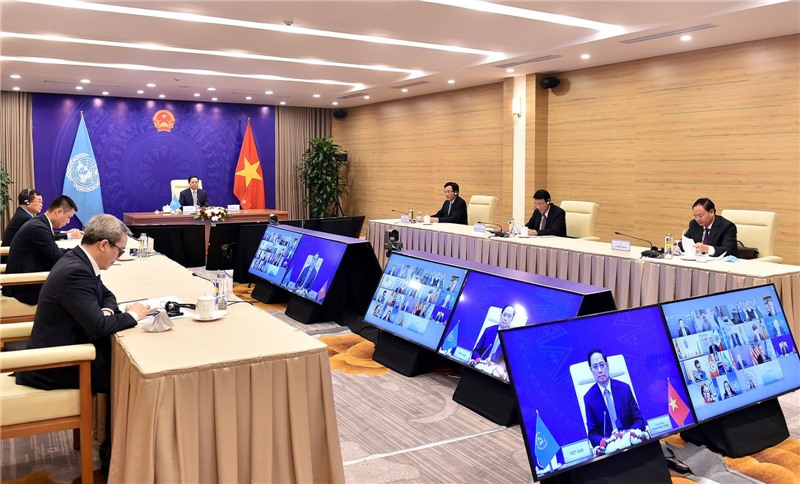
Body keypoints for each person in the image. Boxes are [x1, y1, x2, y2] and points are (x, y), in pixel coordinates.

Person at [15, 214, 153, 471]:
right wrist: (133, 315)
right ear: (103, 244)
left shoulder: (79, 260)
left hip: (64, 348)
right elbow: (97, 327)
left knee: (120, 359)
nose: (118, 257)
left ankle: (114, 445)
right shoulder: (76, 271)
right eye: (119, 251)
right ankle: (114, 454)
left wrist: (108, 311)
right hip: (54, 365)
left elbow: (106, 295)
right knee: (127, 375)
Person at [2, 196, 78, 305]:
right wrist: (80, 254)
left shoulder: (39, 222)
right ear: (58, 212)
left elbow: (54, 251)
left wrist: (77, 252)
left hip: (27, 278)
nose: (68, 222)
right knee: (74, 289)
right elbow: (57, 257)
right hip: (24, 286)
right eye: (68, 217)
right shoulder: (38, 227)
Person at [583, 349, 646, 447]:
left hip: (632, 444)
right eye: (595, 367)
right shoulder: (589, 398)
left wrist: (627, 434)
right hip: (610, 449)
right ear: (591, 370)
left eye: (602, 365)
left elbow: (639, 420)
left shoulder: (624, 389)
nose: (600, 370)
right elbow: (592, 434)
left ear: (607, 366)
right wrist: (607, 441)